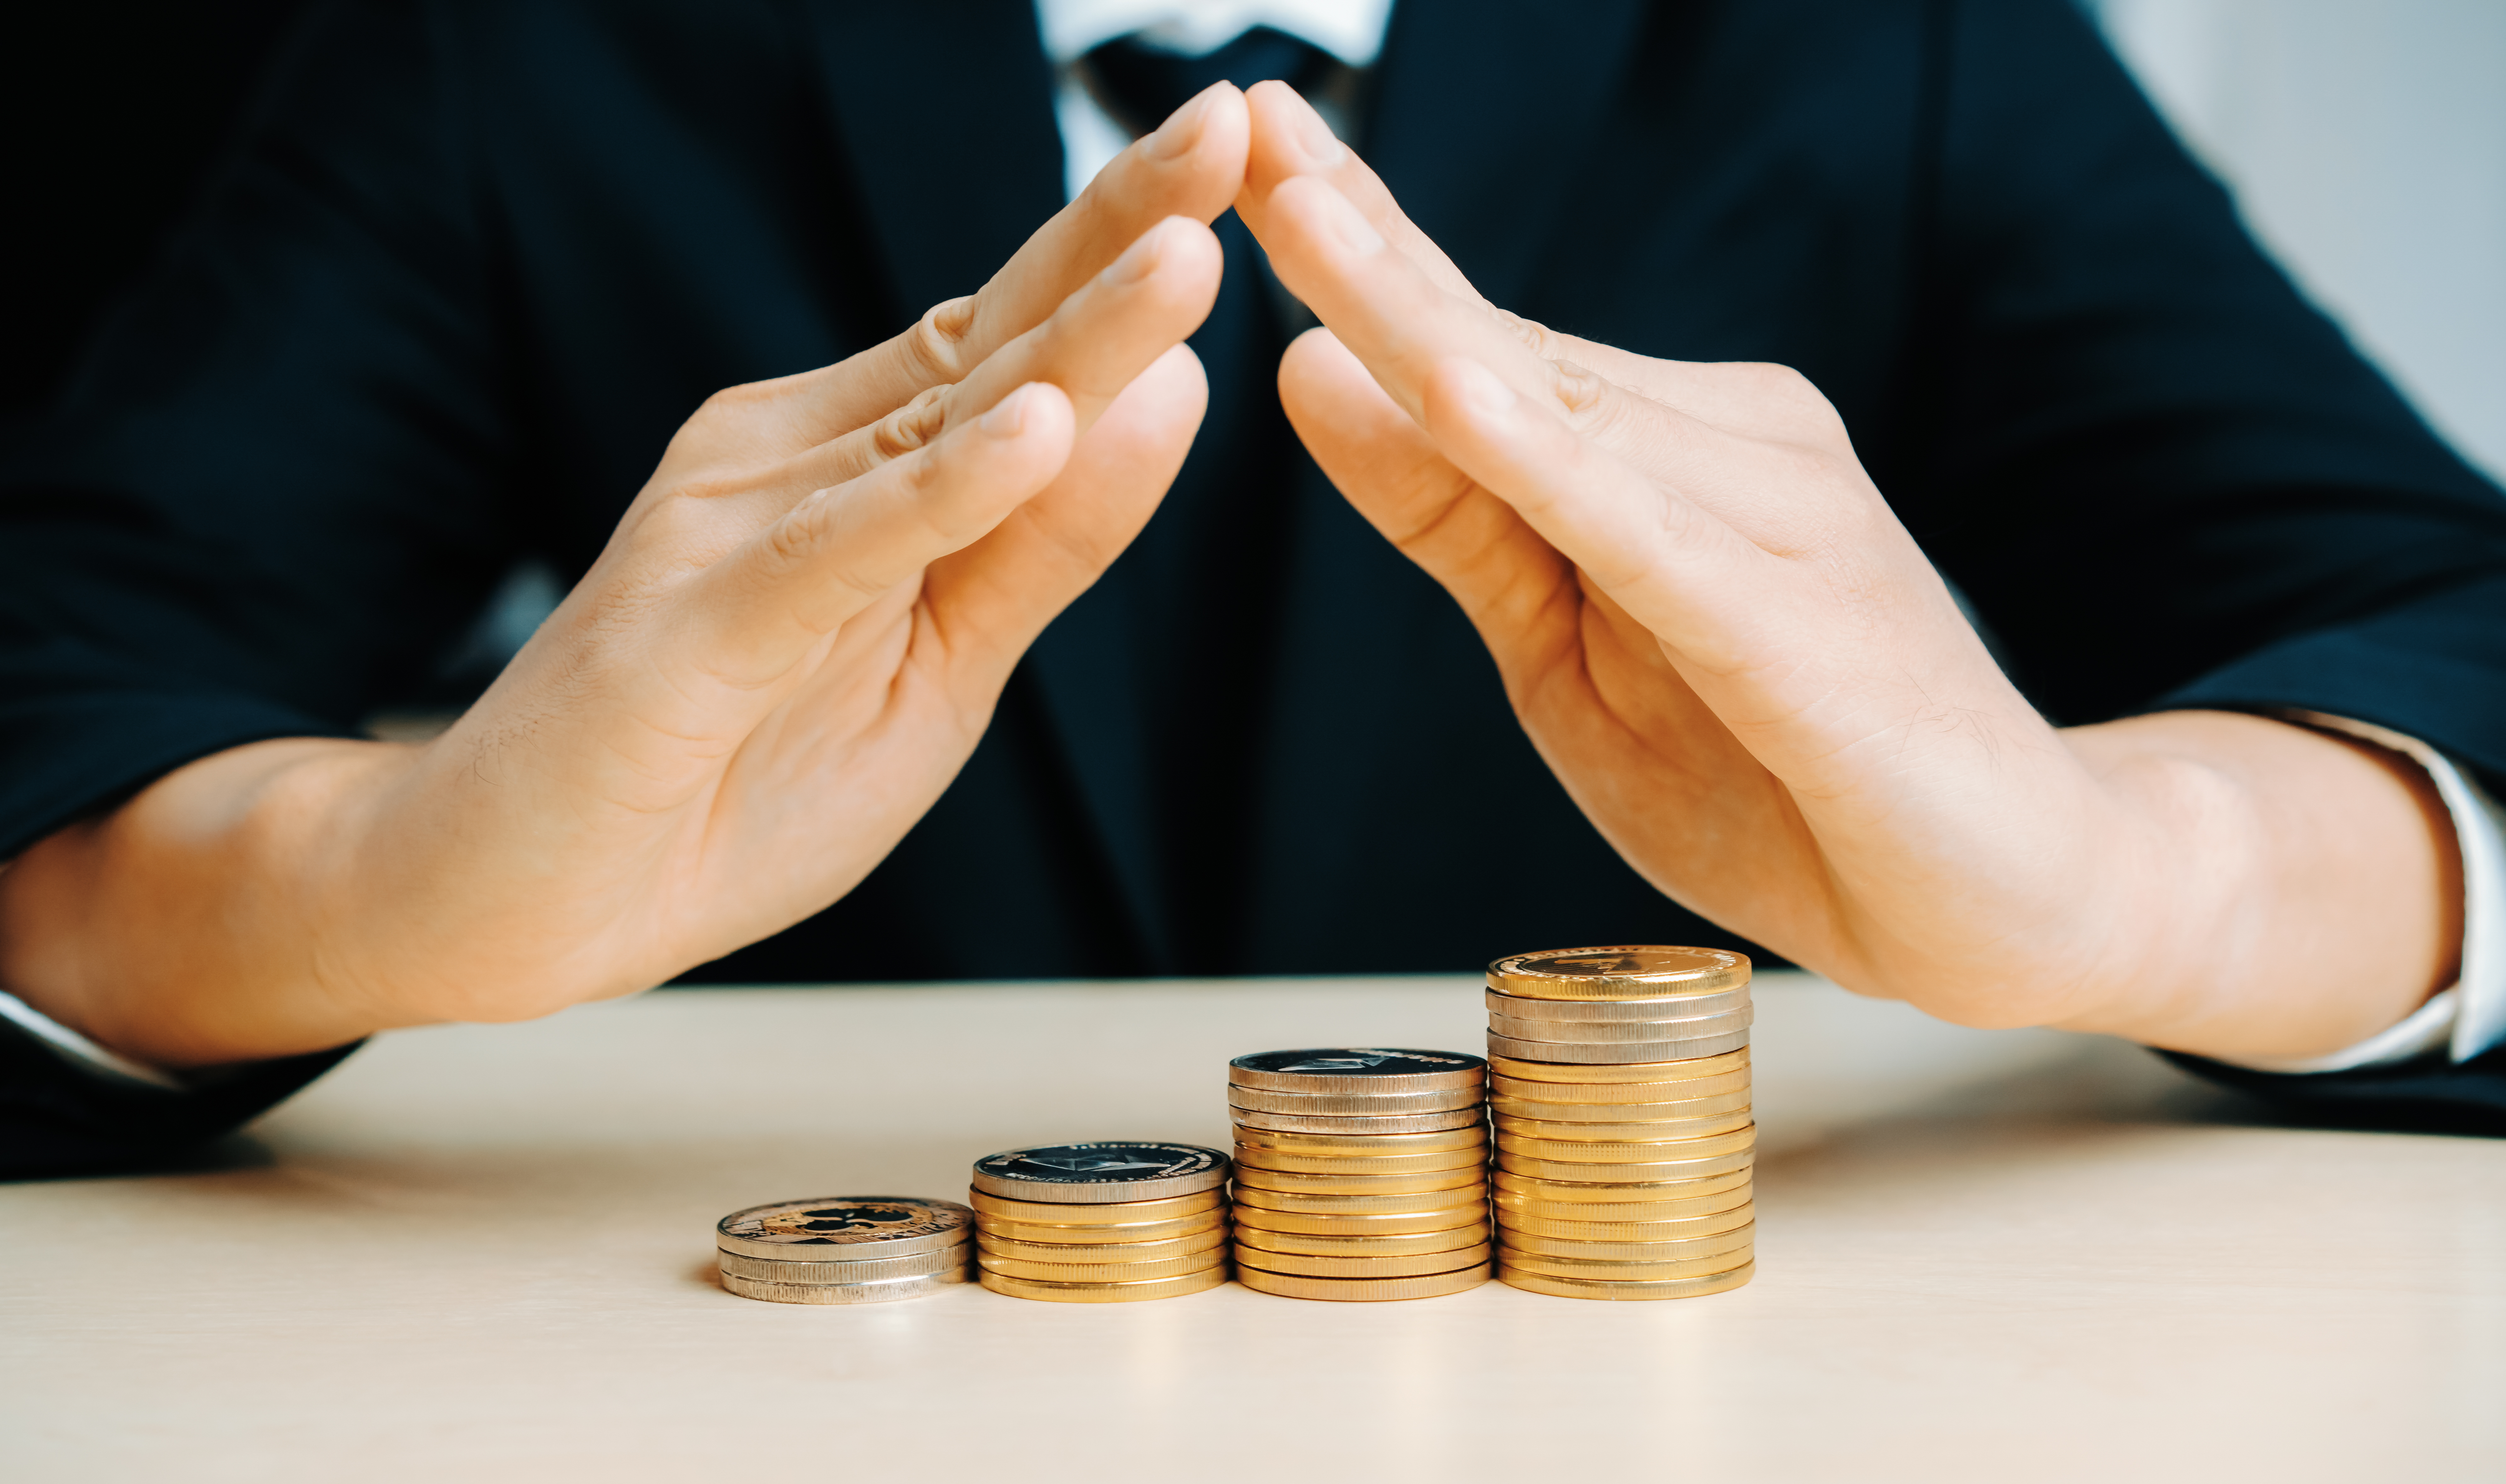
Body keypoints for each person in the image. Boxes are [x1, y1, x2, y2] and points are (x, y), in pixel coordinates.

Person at [4, 0, 2504, 1175]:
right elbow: (56, 668)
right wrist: (361, 886)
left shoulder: (1889, 41)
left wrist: (2139, 879)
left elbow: (2451, 625)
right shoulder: (519, 49)